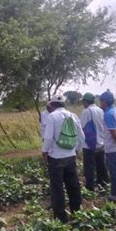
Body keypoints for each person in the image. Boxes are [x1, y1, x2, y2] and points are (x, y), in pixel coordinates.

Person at [42, 94, 85, 223]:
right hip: (70, 155)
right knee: (73, 185)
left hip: (56, 157)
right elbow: (81, 136)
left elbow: (48, 137)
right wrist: (77, 149)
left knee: (57, 188)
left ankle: (61, 218)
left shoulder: (51, 117)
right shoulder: (73, 115)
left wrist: (44, 151)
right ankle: (77, 213)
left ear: (52, 105)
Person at [80, 92, 109, 191]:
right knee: (101, 165)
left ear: (85, 101)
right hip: (101, 142)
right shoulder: (100, 110)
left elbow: (82, 127)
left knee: (89, 167)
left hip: (89, 144)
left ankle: (90, 187)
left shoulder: (87, 111)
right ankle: (104, 184)